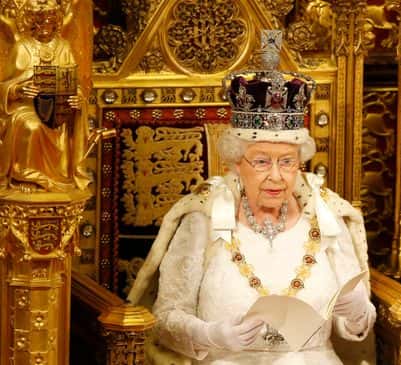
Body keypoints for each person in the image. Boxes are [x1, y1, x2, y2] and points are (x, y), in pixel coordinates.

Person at [128, 31, 376, 365]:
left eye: (287, 162)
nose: (276, 175)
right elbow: (166, 316)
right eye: (261, 161)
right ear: (235, 163)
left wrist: (359, 309)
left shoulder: (327, 217)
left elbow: (355, 326)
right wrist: (210, 335)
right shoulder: (202, 218)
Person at [0, 0, 90, 191]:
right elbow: (5, 85)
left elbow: (73, 83)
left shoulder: (63, 47)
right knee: (32, 126)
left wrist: (77, 97)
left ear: (56, 23)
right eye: (39, 22)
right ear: (31, 23)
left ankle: (60, 177)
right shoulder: (22, 47)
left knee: (58, 124)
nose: (44, 27)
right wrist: (18, 90)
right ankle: (25, 176)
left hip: (57, 107)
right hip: (26, 107)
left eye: (49, 22)